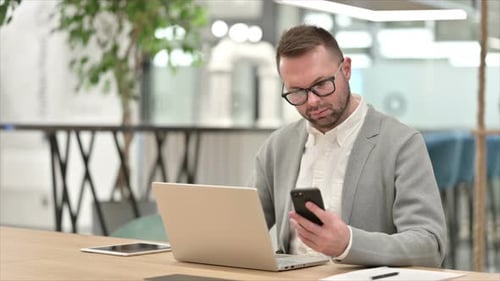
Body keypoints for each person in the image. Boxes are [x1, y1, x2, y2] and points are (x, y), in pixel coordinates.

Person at [250, 25, 447, 267]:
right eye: (297, 92)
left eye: (321, 84)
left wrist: (349, 244)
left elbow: (429, 245)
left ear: (346, 69)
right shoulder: (278, 146)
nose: (312, 101)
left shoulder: (400, 143)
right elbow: (244, 228)